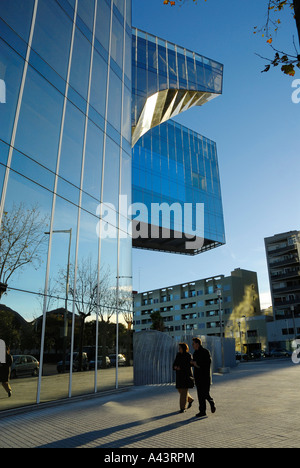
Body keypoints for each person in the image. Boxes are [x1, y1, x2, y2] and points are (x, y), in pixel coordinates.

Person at [191, 337, 216, 418]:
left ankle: (211, 402)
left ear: (197, 344)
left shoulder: (205, 352)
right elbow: (194, 363)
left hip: (205, 376)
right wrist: (191, 363)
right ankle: (202, 411)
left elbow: (207, 363)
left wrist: (197, 363)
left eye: (193, 343)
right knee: (200, 395)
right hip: (198, 377)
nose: (192, 345)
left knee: (205, 393)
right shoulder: (195, 353)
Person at [173, 343, 194, 413]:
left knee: (183, 393)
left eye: (180, 348)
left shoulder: (188, 355)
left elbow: (190, 365)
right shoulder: (178, 355)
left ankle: (182, 408)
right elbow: (174, 363)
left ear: (184, 348)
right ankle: (190, 399)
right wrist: (175, 367)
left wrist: (180, 367)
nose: (179, 349)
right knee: (180, 390)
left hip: (186, 376)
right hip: (179, 376)